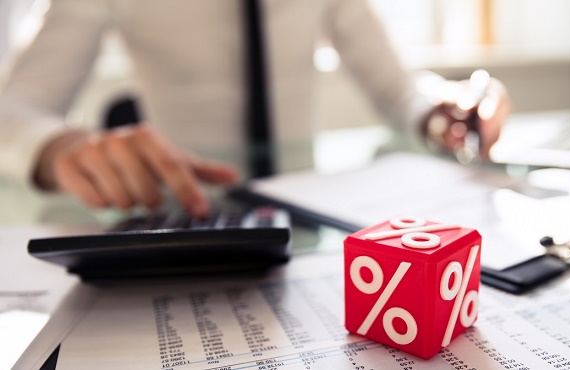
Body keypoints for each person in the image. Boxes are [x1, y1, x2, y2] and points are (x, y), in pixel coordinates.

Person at [0, 0, 510, 218]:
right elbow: (14, 107)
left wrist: (436, 108)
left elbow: (395, 86)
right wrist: (60, 147)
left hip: (313, 227)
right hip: (190, 221)